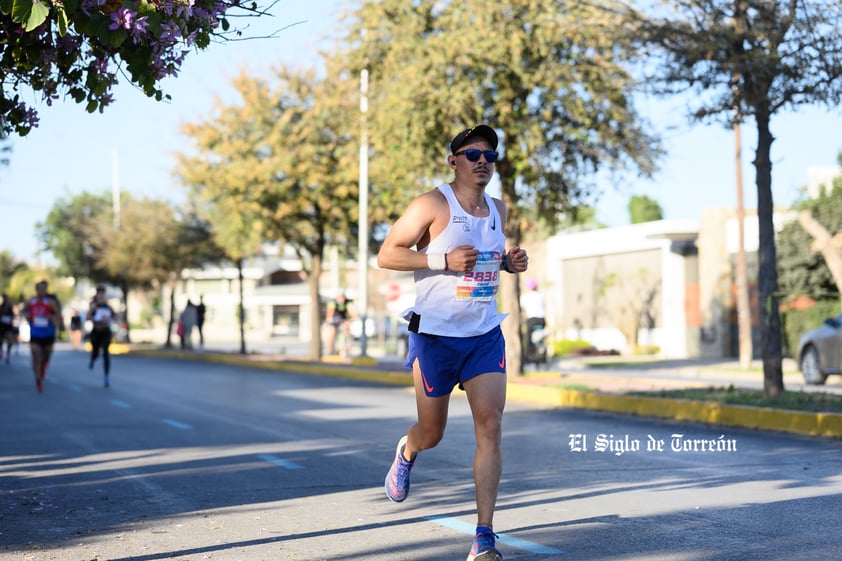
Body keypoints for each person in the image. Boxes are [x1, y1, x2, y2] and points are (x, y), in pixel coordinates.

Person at [377, 125, 529, 561]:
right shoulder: (432, 203)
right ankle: (407, 451)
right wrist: (440, 259)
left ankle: (484, 535)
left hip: (483, 334)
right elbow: (387, 253)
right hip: (436, 337)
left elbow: (484, 262)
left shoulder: (498, 208)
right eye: (473, 153)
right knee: (432, 432)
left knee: (492, 426)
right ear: (454, 160)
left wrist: (508, 262)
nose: (483, 161)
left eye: (490, 155)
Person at [23, 280, 62, 392]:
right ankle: (38, 380)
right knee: (36, 355)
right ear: (36, 290)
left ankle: (43, 367)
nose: (42, 291)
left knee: (47, 355)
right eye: (40, 289)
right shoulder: (31, 301)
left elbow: (58, 315)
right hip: (35, 333)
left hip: (48, 333)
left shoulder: (49, 302)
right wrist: (27, 316)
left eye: (44, 289)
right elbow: (23, 311)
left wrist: (52, 317)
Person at [88, 286, 116, 387]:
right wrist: (95, 319)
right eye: (99, 293)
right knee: (95, 352)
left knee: (106, 353)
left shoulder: (108, 306)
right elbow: (88, 317)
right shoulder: (93, 305)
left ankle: (106, 377)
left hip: (106, 332)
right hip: (96, 332)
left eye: (103, 293)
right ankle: (93, 359)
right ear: (97, 294)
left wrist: (110, 320)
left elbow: (114, 316)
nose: (101, 295)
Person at [519, 279, 546, 364]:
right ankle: (542, 353)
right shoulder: (540, 295)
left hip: (532, 319)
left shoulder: (526, 296)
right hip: (542, 319)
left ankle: (527, 356)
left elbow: (520, 306)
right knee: (541, 337)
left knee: (528, 338)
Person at [1, 293, 17, 364]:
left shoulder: (10, 307)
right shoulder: (1, 307)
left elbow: (13, 316)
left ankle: (8, 354)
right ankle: (1, 351)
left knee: (9, 340)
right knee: (0, 340)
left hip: (8, 326)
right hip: (1, 326)